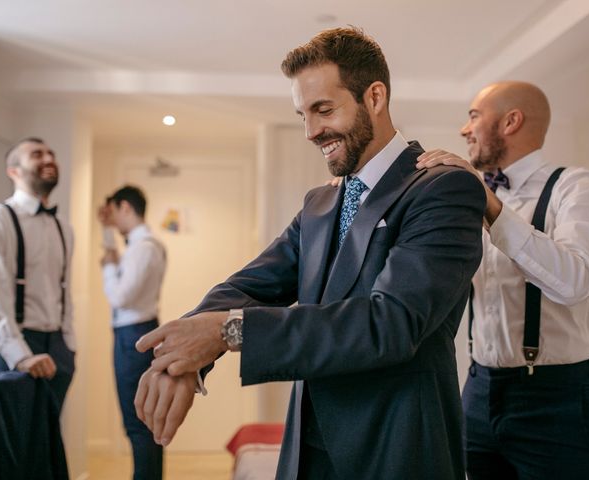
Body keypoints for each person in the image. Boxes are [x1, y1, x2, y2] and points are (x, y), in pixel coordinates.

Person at [134, 27, 486, 480]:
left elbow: (390, 323)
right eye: (302, 114)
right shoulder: (319, 203)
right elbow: (250, 285)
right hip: (306, 451)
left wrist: (229, 332)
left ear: (374, 97)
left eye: (323, 110)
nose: (311, 131)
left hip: (397, 448)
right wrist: (182, 356)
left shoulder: (442, 188)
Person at [416, 81, 589, 479]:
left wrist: (490, 204)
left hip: (556, 400)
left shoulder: (578, 187)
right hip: (477, 389)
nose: (464, 129)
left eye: (474, 116)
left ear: (511, 121)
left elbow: (575, 281)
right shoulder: (464, 196)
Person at [0, 137, 76, 413]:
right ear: (14, 171)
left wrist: (69, 347)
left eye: (51, 153)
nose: (49, 159)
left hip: (58, 347)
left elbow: (63, 290)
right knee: (13, 447)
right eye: (37, 155)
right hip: (14, 346)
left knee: (47, 445)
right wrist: (20, 356)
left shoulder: (63, 227)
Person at [98, 185, 166, 480]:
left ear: (125, 207)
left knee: (139, 422)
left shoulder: (144, 247)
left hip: (134, 336)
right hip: (135, 333)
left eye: (113, 212)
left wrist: (108, 268)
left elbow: (120, 297)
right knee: (141, 422)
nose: (112, 220)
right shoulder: (141, 245)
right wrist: (105, 233)